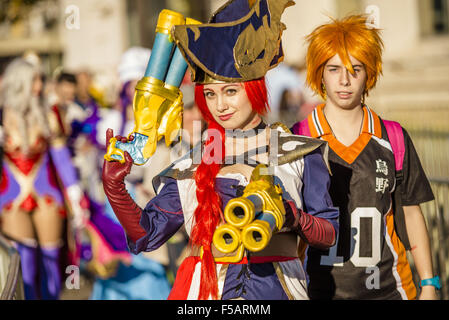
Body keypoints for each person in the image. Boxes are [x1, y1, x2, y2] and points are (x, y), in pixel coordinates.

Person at [102, 0, 339, 300]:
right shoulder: (191, 165)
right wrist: (114, 187)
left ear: (254, 89)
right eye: (210, 94)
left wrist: (293, 218)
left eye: (230, 91)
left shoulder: (300, 153)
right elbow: (146, 235)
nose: (220, 105)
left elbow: (329, 233)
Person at [291, 14, 439, 300]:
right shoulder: (298, 136)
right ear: (319, 73)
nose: (344, 80)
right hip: (316, 290)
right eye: (334, 69)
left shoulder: (392, 136)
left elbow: (410, 213)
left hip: (390, 289)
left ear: (368, 73)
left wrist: (429, 283)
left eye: (355, 69)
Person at [0, 57, 87, 299]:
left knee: (51, 261)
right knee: (22, 264)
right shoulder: (2, 115)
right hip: (10, 199)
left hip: (47, 194)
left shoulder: (49, 114)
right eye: (34, 79)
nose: (40, 84)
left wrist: (74, 191)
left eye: (39, 78)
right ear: (20, 83)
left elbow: (60, 157)